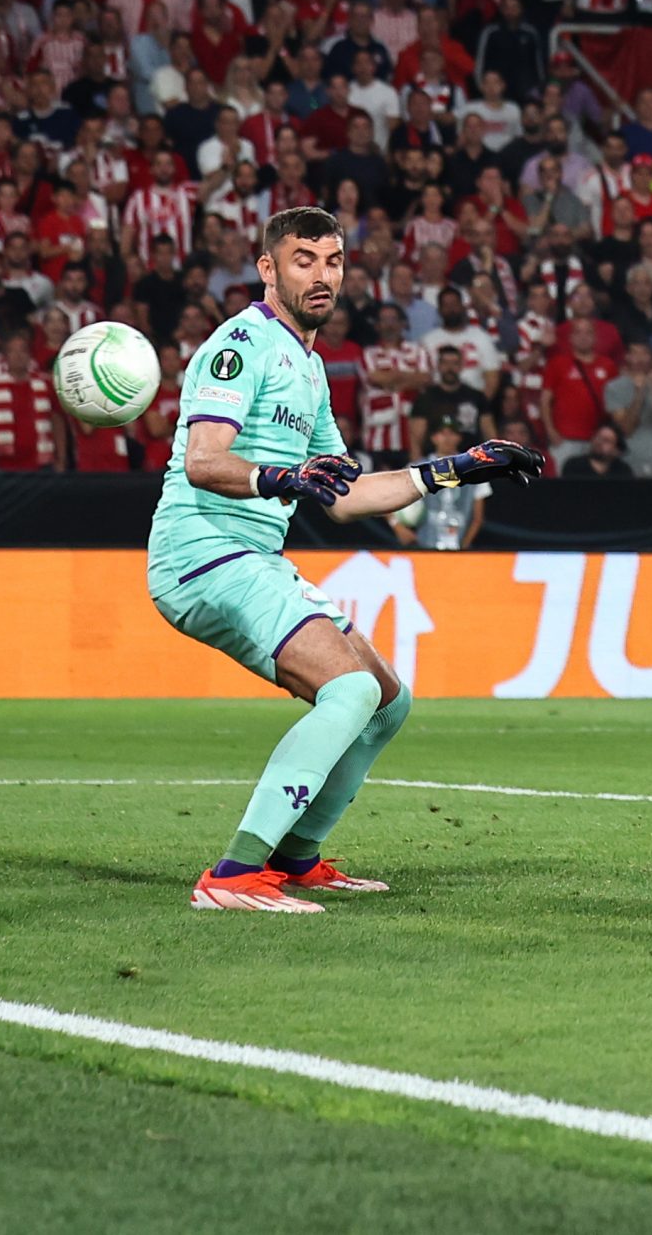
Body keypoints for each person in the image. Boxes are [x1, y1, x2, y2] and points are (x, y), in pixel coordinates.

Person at [147, 207, 542, 913]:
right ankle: (232, 875)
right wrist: (282, 477)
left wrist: (455, 468)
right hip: (203, 551)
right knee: (349, 689)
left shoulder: (309, 365)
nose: (322, 274)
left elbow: (345, 494)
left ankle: (296, 859)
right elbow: (204, 461)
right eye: (303, 260)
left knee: (387, 700)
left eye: (332, 261)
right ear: (268, 268)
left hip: (253, 553)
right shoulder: (240, 343)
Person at [396, 421, 485, 551]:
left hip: (459, 546)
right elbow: (388, 496)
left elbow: (478, 518)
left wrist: (464, 547)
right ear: (433, 437)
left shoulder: (474, 470)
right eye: (442, 433)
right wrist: (398, 527)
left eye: (452, 433)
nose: (447, 438)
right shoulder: (417, 468)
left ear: (459, 437)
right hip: (423, 547)